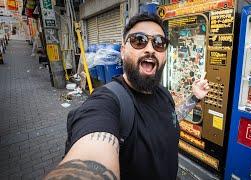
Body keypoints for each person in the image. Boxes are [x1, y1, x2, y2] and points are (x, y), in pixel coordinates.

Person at [45, 13, 210, 180]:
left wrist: (193, 99)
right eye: (139, 40)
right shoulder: (108, 102)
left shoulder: (164, 94)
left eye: (159, 43)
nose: (150, 49)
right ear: (123, 51)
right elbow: (92, 150)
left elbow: (171, 119)